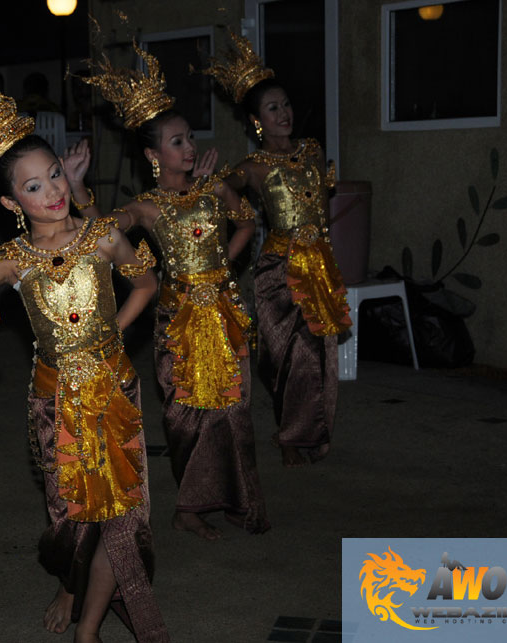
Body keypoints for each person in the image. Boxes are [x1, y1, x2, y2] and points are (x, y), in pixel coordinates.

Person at [0, 59, 168, 642]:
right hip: (54, 403)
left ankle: (89, 628)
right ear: (10, 203)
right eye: (33, 186)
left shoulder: (101, 235)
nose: (51, 192)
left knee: (118, 514)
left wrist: (114, 334)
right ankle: (70, 583)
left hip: (115, 390)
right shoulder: (12, 260)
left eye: (54, 175)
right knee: (72, 517)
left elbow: (147, 282)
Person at [75, 43, 270, 541]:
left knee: (234, 409)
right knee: (187, 416)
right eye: (177, 141)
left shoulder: (213, 188)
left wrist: (225, 262)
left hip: (224, 312)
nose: (187, 148)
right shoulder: (145, 208)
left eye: (190, 139)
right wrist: (77, 192)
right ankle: (189, 507)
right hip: (178, 320)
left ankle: (237, 499)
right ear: (152, 154)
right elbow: (104, 230)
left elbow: (246, 220)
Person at [205, 33, 351, 467]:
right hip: (278, 269)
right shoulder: (252, 167)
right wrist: (212, 184)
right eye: (273, 108)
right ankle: (290, 436)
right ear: (256, 121)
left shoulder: (311, 151)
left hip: (319, 264)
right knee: (287, 355)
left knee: (320, 354)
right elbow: (227, 190)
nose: (284, 114)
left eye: (285, 105)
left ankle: (308, 432)